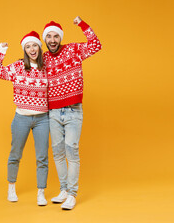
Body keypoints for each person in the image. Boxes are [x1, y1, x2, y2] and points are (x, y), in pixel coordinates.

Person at [42, 16, 102, 210]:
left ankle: (73, 194)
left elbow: (95, 45)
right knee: (58, 153)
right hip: (53, 112)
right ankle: (64, 190)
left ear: (60, 38)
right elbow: (25, 69)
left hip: (73, 110)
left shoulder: (73, 50)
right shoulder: (42, 58)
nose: (52, 40)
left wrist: (82, 24)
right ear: (45, 39)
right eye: (48, 36)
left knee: (71, 151)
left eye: (55, 36)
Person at [0, 31, 50, 206]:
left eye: (34, 45)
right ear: (24, 49)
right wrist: (0, 52)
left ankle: (41, 192)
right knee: (15, 154)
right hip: (21, 118)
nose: (32, 49)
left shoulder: (46, 67)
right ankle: (11, 187)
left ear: (39, 47)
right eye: (28, 46)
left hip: (43, 119)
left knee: (42, 157)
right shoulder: (18, 67)